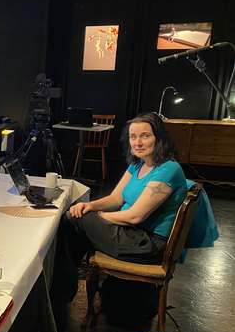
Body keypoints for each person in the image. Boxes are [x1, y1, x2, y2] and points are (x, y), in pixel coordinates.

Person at [54, 112, 188, 299]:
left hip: (148, 244)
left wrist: (98, 216)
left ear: (159, 138)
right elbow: (116, 198)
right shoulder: (138, 164)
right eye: (133, 137)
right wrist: (91, 206)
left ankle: (61, 288)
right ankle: (64, 283)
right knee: (75, 217)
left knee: (74, 220)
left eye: (145, 136)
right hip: (132, 233)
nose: (137, 142)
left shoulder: (168, 169)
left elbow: (135, 216)